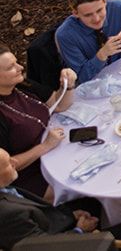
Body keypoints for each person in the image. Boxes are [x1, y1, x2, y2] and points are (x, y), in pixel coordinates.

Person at [0, 147, 112, 246]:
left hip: (52, 219)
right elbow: (41, 246)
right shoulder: (9, 214)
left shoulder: (5, 187)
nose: (15, 161)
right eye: (9, 164)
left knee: (93, 201)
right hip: (62, 238)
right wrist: (80, 230)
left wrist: (69, 214)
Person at [0, 53, 75, 199]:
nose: (20, 67)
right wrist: (44, 147)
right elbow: (6, 166)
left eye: (16, 62)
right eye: (11, 67)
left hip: (58, 146)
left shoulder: (21, 85)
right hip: (31, 173)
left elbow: (59, 104)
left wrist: (68, 85)